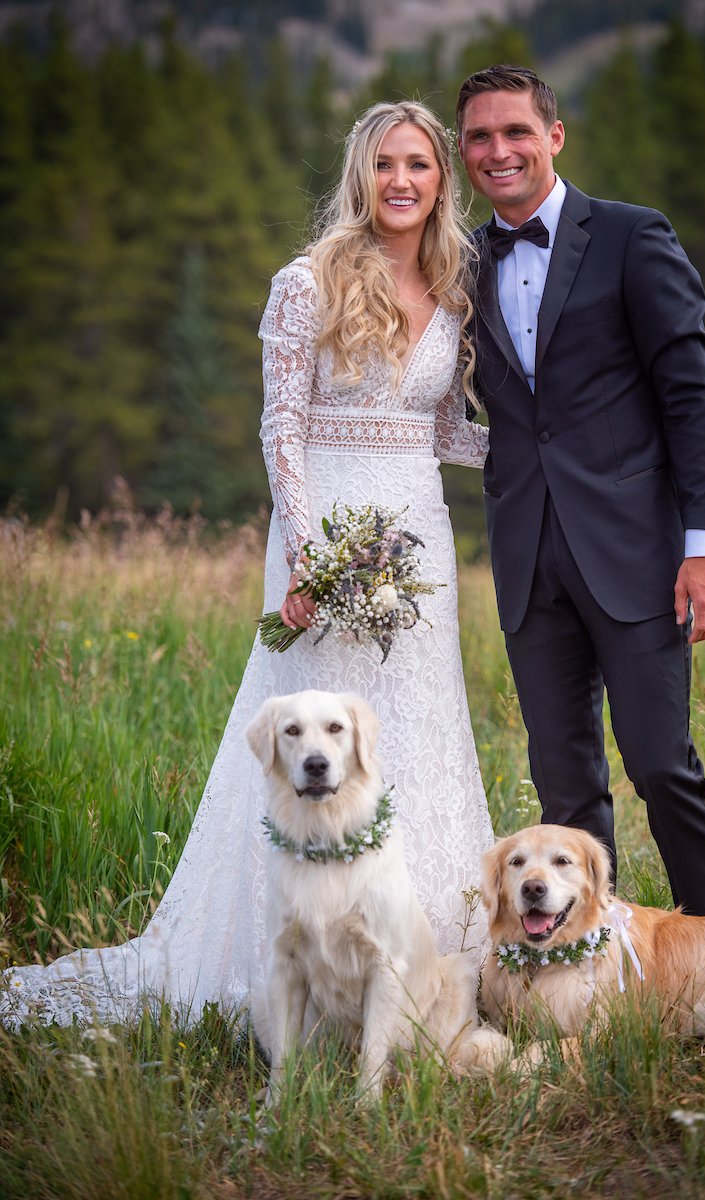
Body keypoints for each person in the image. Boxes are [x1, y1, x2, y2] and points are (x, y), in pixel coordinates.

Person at [1, 101, 494, 1029]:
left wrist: (539, 447)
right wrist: (307, 554)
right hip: (321, 541)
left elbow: (440, 433)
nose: (401, 180)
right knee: (315, 744)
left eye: (419, 165)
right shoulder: (306, 281)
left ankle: (419, 973)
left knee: (419, 739)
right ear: (360, 173)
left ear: (441, 182)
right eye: (384, 163)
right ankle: (281, 968)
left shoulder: (453, 288)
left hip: (416, 544)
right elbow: (284, 426)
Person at [455, 64, 705, 916]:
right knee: (563, 786)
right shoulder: (460, 261)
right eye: (478, 137)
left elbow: (689, 395)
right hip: (525, 555)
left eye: (514, 132)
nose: (497, 151)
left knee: (660, 765)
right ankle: (591, 970)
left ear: (554, 136)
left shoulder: (629, 235)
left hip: (636, 554)